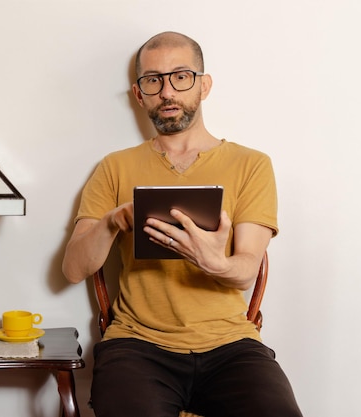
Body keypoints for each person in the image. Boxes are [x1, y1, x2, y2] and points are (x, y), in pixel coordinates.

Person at [62, 31, 302, 417]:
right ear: (140, 94)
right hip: (137, 345)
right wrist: (111, 222)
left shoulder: (252, 165)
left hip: (230, 344)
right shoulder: (114, 167)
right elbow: (73, 269)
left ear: (203, 85)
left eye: (181, 76)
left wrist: (216, 263)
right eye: (153, 80)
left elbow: (245, 272)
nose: (167, 91)